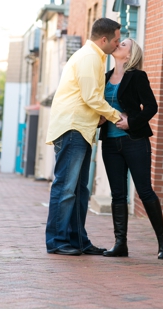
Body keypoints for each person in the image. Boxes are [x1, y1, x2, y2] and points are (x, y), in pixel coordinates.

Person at [44, 18, 127, 256]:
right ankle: (57, 241)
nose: (117, 44)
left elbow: (87, 98)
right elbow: (92, 97)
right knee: (66, 188)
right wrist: (115, 116)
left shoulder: (93, 57)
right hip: (73, 129)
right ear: (104, 39)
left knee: (80, 189)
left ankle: (77, 240)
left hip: (80, 129)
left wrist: (99, 117)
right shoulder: (90, 58)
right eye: (116, 40)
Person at [98, 38, 163, 259]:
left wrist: (132, 122)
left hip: (134, 141)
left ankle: (162, 240)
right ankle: (120, 244)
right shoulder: (105, 78)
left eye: (123, 44)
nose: (118, 44)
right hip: (110, 142)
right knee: (118, 194)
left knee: (144, 189)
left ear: (129, 55)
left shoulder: (137, 76)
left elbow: (151, 106)